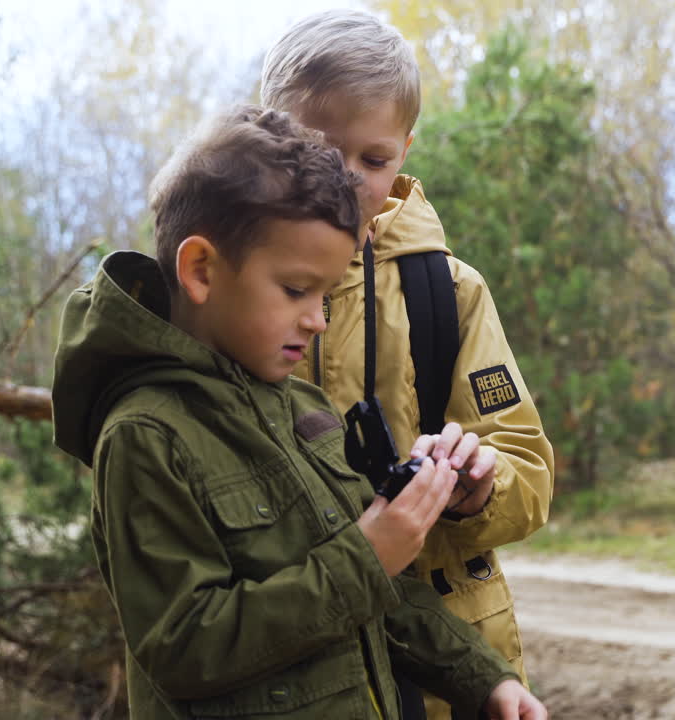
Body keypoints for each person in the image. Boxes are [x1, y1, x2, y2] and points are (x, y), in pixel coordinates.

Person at [51, 105, 546, 720]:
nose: (318, 318)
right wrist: (365, 558)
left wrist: (484, 680)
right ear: (201, 270)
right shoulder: (145, 435)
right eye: (296, 290)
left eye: (326, 292)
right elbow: (184, 646)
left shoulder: (300, 406)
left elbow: (379, 597)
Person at [261, 13, 555, 718]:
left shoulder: (449, 292)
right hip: (294, 644)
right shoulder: (238, 288)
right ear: (267, 140)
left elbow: (528, 471)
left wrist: (479, 486)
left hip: (449, 656)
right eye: (322, 152)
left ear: (404, 151)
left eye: (375, 158)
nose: (351, 179)